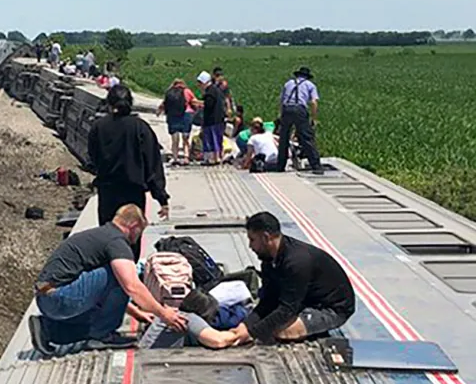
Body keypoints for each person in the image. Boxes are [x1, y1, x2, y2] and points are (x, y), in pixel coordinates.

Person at [29, 205, 187, 355]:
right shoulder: (116, 242)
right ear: (133, 225)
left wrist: (136, 312)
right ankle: (103, 335)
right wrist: (164, 314)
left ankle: (47, 329)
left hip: (47, 297)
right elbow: (131, 286)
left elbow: (104, 289)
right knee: (121, 273)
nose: (138, 237)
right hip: (61, 297)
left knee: (96, 320)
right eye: (140, 231)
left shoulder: (101, 235)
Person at [224, 212, 355, 346]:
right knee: (265, 325)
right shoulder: (269, 259)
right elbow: (268, 300)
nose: (250, 247)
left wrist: (252, 333)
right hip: (304, 300)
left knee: (280, 332)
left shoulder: (296, 263)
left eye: (252, 240)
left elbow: (287, 310)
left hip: (332, 308)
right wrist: (246, 325)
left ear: (265, 238)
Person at [87, 85, 169, 256]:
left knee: (108, 240)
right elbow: (152, 164)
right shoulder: (140, 127)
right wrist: (161, 197)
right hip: (133, 193)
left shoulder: (98, 127)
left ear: (109, 103)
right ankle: (129, 277)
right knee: (131, 240)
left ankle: (111, 277)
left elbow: (93, 158)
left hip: (107, 191)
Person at [275, 66, 323, 174]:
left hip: (287, 109)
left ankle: (280, 166)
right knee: (306, 137)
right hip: (300, 109)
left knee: (284, 139)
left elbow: (281, 100)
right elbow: (314, 102)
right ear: (307, 77)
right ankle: (316, 166)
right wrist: (314, 118)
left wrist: (281, 115)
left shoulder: (288, 83)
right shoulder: (310, 85)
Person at [157, 78, 197, 165]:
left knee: (174, 139)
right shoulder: (187, 91)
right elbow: (194, 102)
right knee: (185, 138)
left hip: (172, 116)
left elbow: (164, 104)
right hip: (186, 115)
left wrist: (159, 111)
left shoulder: (169, 92)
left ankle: (175, 158)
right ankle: (186, 157)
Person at [196, 71, 225, 165]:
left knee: (211, 140)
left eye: (200, 83)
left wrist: (199, 103)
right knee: (217, 139)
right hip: (218, 119)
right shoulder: (216, 90)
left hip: (212, 120)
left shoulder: (210, 92)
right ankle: (217, 158)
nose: (199, 86)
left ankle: (211, 159)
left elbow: (209, 105)